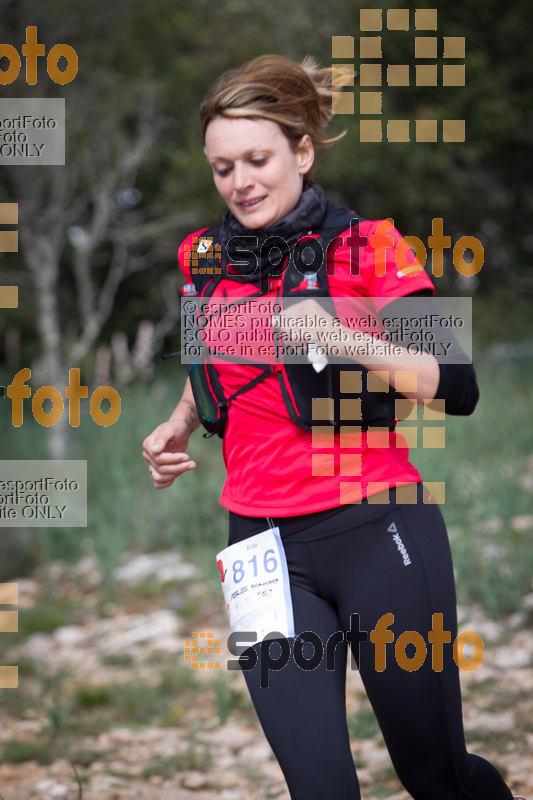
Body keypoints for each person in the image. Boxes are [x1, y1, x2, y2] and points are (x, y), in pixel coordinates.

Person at [143, 55, 526, 800]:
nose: (239, 182)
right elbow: (214, 361)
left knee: (434, 776)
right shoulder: (202, 255)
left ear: (302, 152)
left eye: (256, 160)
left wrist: (344, 337)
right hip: (258, 546)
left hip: (376, 527)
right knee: (318, 788)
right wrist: (177, 425)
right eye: (222, 168)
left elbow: (457, 384)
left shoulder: (369, 246)